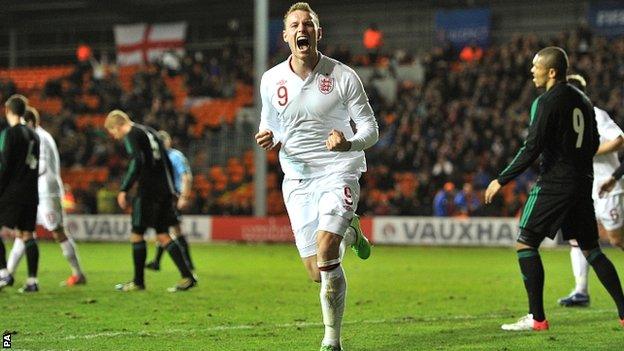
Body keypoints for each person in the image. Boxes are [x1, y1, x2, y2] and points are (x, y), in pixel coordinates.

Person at [255, 3, 378, 350]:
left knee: (326, 248)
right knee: (317, 271)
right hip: (297, 178)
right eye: (294, 24)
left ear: (318, 33)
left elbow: (372, 129)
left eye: (308, 24)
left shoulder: (342, 76)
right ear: (285, 36)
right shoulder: (271, 80)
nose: (301, 28)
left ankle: (331, 340)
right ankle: (352, 233)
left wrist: (348, 144)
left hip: (339, 169)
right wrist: (269, 136)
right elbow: (272, 124)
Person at [485, 47, 624, 330]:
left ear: (551, 71)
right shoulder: (585, 102)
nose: (531, 70)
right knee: (592, 249)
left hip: (554, 183)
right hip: (583, 183)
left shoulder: (545, 102)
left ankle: (537, 319)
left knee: (525, 242)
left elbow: (532, 147)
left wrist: (502, 178)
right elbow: (593, 143)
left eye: (536, 66)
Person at [104, 109, 195, 292]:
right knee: (162, 234)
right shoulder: (150, 131)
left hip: (148, 191)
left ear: (118, 125)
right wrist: (171, 189)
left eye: (113, 132)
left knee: (137, 233)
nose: (114, 136)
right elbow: (166, 161)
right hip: (164, 189)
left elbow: (137, 161)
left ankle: (138, 282)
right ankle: (188, 277)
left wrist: (124, 189)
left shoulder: (131, 134)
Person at [558, 74, 624, 307]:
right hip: (584, 187)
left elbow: (619, 139)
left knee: (617, 240)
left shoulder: (596, 114)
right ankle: (581, 291)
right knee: (577, 238)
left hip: (608, 186)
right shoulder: (563, 121)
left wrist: (590, 152)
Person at [2, 106, 86, 288]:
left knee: (57, 231)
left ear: (30, 122)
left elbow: (44, 166)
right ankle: (8, 274)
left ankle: (78, 274)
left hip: (47, 191)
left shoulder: (40, 138)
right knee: (24, 232)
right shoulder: (35, 137)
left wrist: (21, 175)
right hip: (35, 190)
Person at [0, 95, 41, 293]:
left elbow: (5, 166)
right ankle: (32, 281)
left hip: (12, 192)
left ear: (8, 111)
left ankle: (3, 273)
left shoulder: (10, 133)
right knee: (28, 235)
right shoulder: (34, 135)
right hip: (31, 192)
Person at [145, 130, 194, 272]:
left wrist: (184, 197)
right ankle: (159, 262)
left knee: (171, 230)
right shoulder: (157, 157)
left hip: (174, 196)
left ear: (168, 142)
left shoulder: (175, 156)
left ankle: (186, 264)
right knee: (165, 229)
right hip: (163, 197)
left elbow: (186, 177)